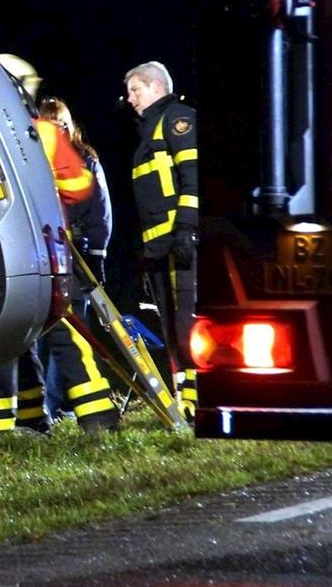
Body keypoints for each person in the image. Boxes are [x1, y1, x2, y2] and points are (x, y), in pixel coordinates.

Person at [0, 55, 98, 434]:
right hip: (48, 250)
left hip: (3, 251)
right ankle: (90, 416)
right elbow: (80, 186)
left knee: (8, 332)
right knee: (58, 334)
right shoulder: (42, 132)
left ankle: (4, 425)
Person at [36, 98, 120, 432]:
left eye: (61, 122)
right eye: (49, 122)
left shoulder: (85, 160)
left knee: (73, 330)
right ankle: (44, 404)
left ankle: (60, 403)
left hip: (77, 256)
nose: (56, 129)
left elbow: (101, 211)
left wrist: (97, 254)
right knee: (39, 334)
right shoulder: (32, 161)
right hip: (41, 257)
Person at [124, 61, 199, 420]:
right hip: (159, 248)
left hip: (179, 243)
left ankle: (199, 399)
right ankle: (184, 401)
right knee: (171, 326)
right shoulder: (148, 133)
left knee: (187, 323)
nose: (130, 98)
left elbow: (192, 177)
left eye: (135, 90)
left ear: (156, 87)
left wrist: (186, 228)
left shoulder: (177, 119)